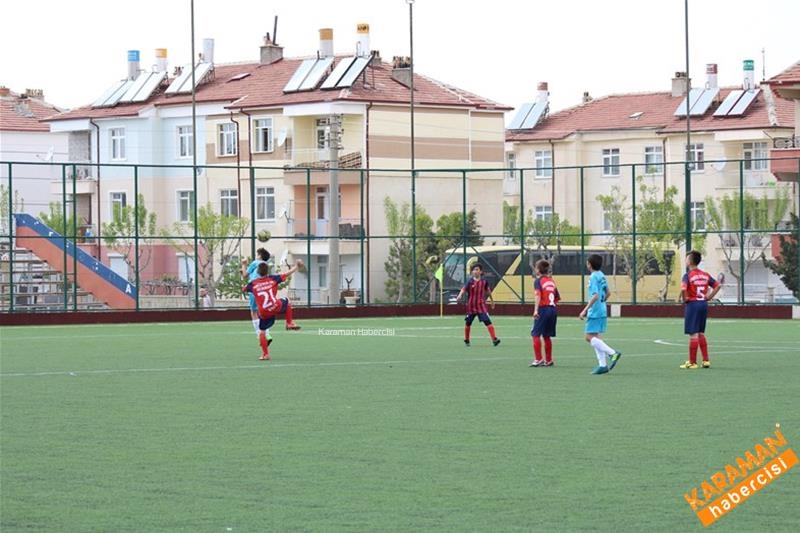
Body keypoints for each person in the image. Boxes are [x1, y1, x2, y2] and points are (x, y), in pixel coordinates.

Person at [243, 260, 303, 360]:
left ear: (257, 272)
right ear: (267, 271)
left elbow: (244, 289)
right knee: (287, 301)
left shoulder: (253, 284)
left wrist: (246, 285)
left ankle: (265, 354)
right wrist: (296, 266)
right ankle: (289, 323)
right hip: (275, 306)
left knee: (262, 331)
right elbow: (287, 274)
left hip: (264, 312)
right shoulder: (273, 279)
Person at [579, 254, 621, 375]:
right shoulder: (601, 275)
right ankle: (602, 365)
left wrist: (585, 309)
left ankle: (612, 353)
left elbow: (595, 295)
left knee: (588, 337)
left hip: (595, 311)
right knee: (596, 337)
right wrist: (602, 302)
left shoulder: (593, 277)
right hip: (602, 309)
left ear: (589, 264)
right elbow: (608, 293)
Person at [679, 250, 721, 369]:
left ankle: (692, 362)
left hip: (693, 304)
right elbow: (718, 285)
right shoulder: (705, 275)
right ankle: (706, 360)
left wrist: (685, 299)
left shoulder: (687, 275)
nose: (685, 260)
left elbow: (683, 289)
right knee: (701, 332)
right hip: (703, 304)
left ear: (690, 261)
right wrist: (709, 297)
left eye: (687, 258)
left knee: (693, 333)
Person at [455, 263, 500, 347]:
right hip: (471, 306)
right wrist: (459, 295)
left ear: (481, 271)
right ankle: (467, 339)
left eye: (477, 269)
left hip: (481, 306)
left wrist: (492, 301)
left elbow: (488, 291)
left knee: (487, 321)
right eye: (474, 270)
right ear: (472, 272)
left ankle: (494, 339)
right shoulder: (470, 281)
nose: (475, 271)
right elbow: (463, 289)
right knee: (468, 323)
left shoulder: (484, 282)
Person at [530, 259, 560, 367]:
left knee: (535, 334)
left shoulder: (538, 281)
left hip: (543, 309)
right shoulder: (552, 281)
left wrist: (536, 310)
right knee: (547, 336)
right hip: (553, 309)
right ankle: (549, 360)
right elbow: (557, 297)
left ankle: (538, 359)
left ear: (538, 270)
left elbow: (538, 295)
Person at [242, 248, 272, 343]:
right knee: (263, 312)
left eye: (257, 254)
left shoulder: (255, 263)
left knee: (254, 311)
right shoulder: (266, 266)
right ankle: (267, 333)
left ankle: (259, 334)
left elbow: (245, 275)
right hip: (263, 289)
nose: (256, 256)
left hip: (254, 288)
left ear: (260, 256)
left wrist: (244, 264)